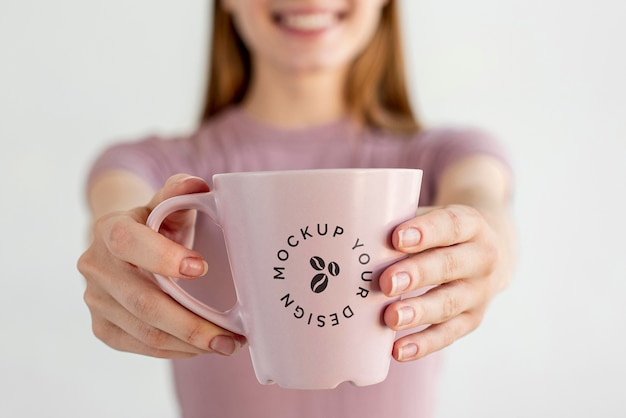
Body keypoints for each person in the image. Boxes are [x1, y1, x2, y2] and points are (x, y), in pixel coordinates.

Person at [77, 1, 516, 417]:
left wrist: (487, 244)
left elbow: (484, 201)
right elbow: (118, 214)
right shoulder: (150, 165)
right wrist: (122, 256)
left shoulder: (446, 155)